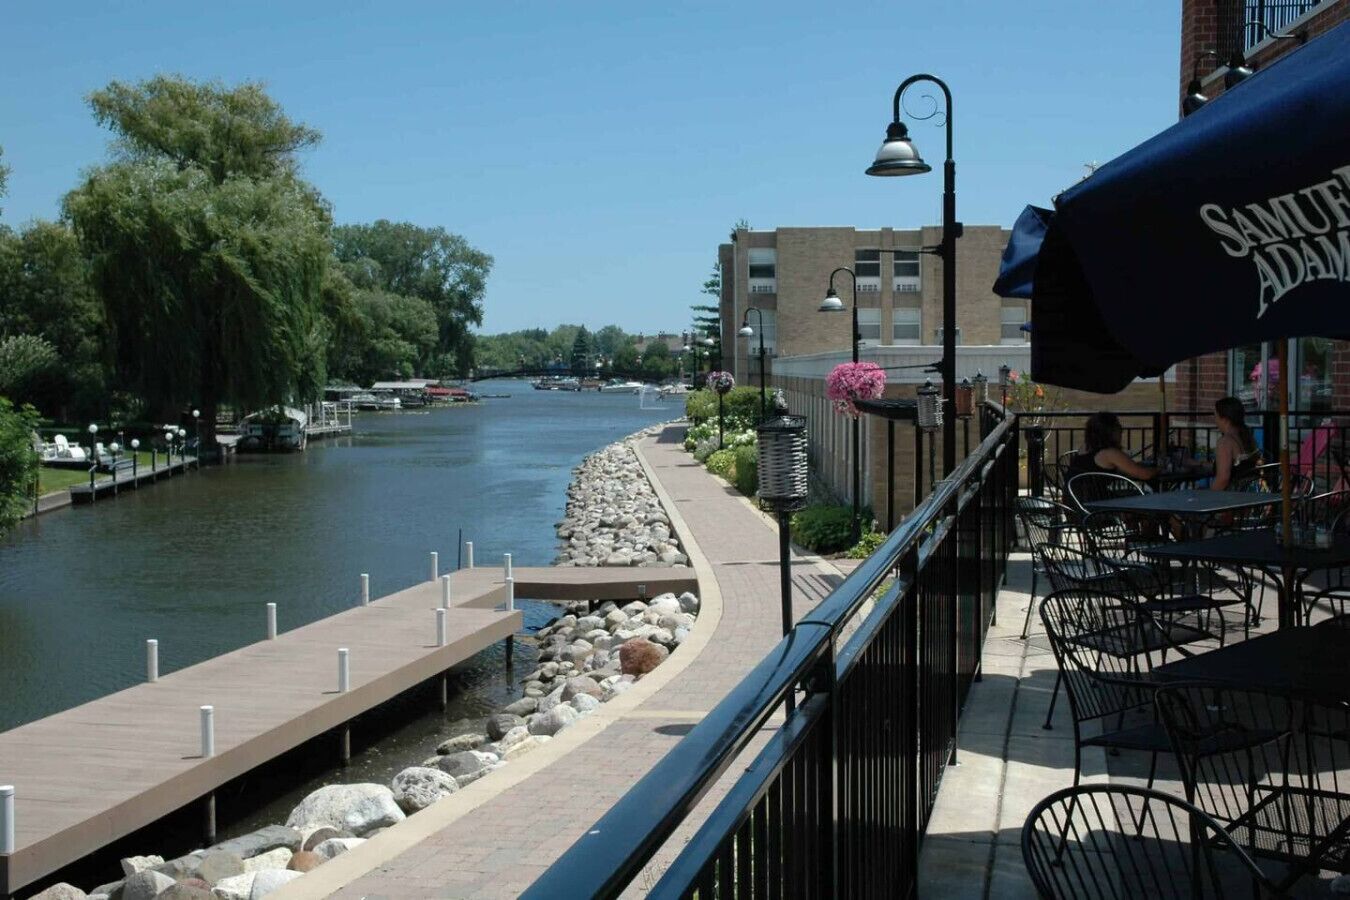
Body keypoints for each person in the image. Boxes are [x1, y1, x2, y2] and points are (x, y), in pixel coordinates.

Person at [1066, 411, 1158, 483]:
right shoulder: (1110, 454)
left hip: (1073, 501)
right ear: (1111, 431)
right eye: (1119, 427)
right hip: (1095, 503)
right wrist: (1160, 469)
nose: (1121, 431)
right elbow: (1144, 475)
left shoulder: (1085, 447)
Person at [1210, 396, 1260, 491]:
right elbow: (1237, 466)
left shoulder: (1225, 442)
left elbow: (1223, 479)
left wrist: (1208, 498)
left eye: (1215, 416)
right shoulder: (1246, 437)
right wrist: (1198, 464)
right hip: (1251, 494)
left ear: (1225, 419)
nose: (1215, 420)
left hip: (1233, 498)